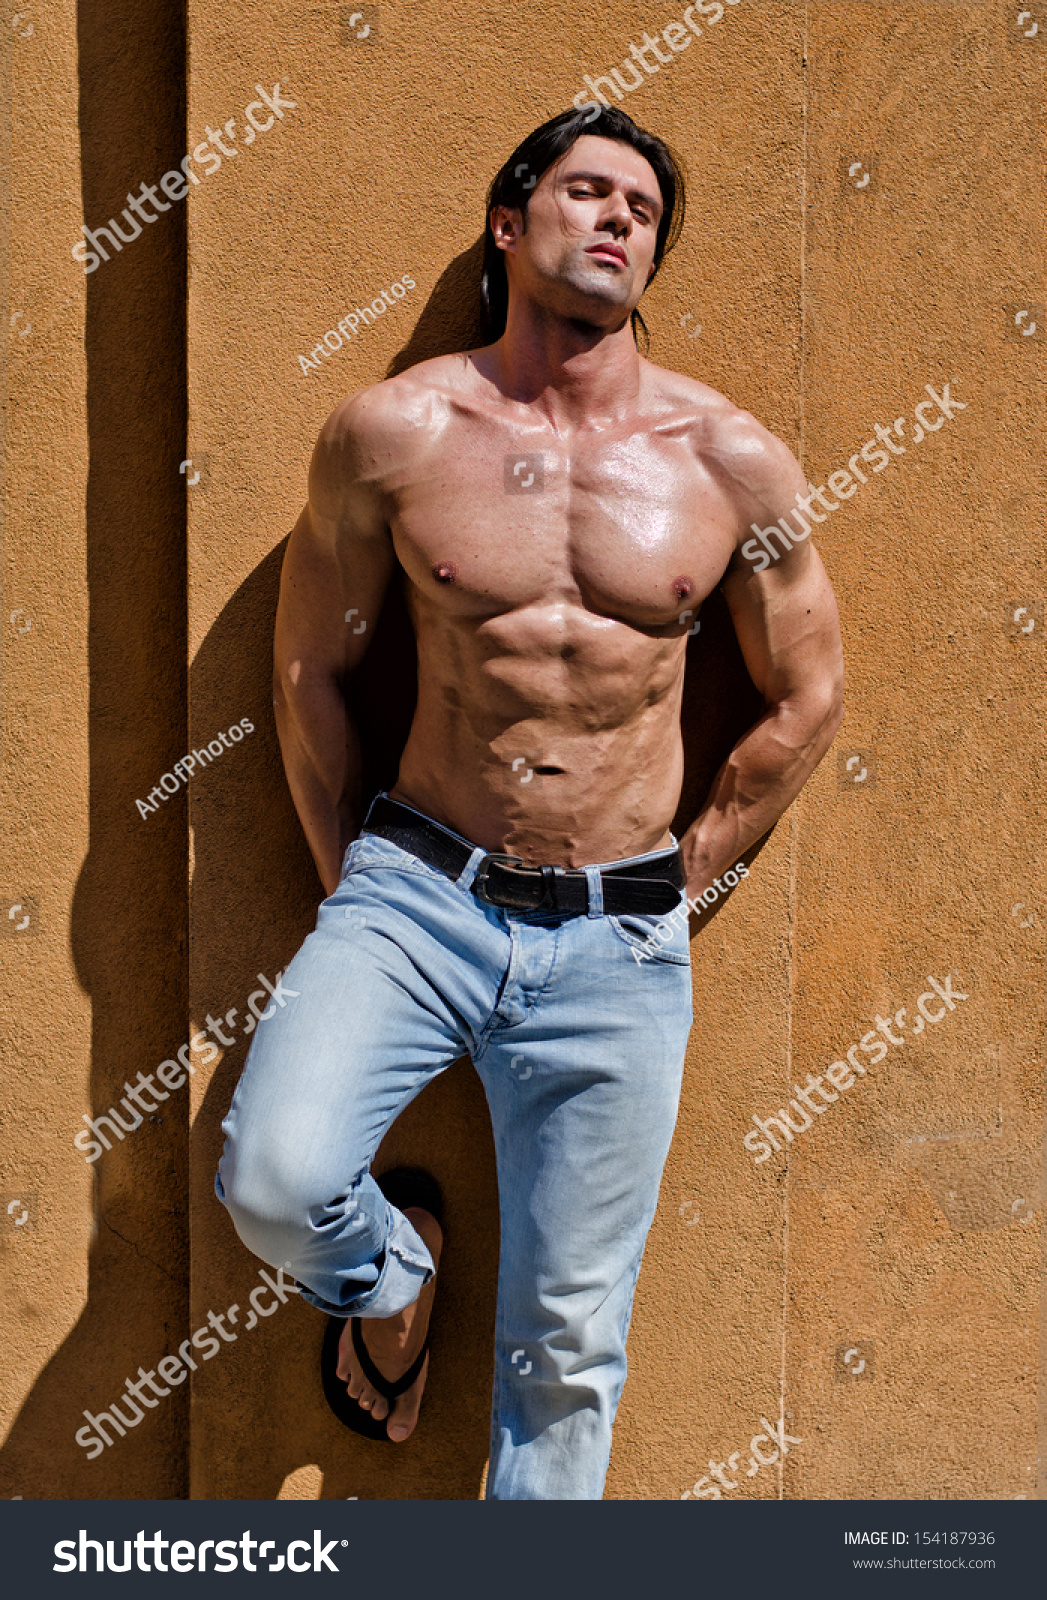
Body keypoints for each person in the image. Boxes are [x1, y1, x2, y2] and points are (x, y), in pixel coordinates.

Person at [215, 103, 843, 1500]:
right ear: (512, 225)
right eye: (587, 191)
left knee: (567, 1348)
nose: (619, 218)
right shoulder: (394, 432)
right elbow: (314, 671)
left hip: (618, 937)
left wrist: (689, 880)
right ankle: (387, 1277)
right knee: (273, 1172)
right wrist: (351, 888)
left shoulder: (726, 460)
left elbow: (807, 695)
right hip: (415, 895)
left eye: (644, 208)